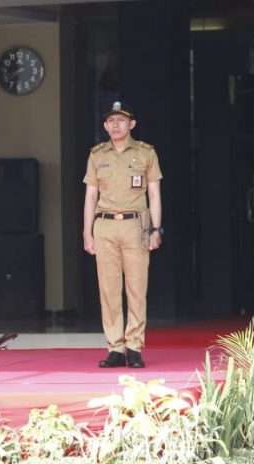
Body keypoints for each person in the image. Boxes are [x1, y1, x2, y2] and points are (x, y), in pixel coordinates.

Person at [82, 101, 163, 369]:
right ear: (105, 126)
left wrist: (156, 229)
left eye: (121, 120)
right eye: (111, 121)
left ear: (132, 124)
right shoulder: (97, 154)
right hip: (105, 225)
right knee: (109, 290)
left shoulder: (146, 153)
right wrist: (87, 232)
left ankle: (134, 346)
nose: (115, 125)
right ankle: (115, 348)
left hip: (136, 224)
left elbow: (154, 194)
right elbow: (90, 195)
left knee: (137, 288)